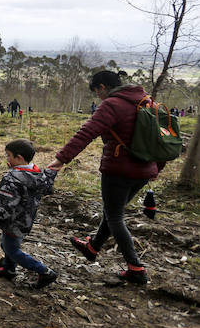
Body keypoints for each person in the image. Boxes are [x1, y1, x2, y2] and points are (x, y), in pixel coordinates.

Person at [48, 70, 162, 285]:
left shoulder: (112, 104)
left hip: (119, 169)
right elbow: (161, 138)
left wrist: (62, 159)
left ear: (101, 87)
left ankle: (135, 268)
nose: (98, 97)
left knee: (115, 217)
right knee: (113, 212)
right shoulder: (147, 101)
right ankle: (92, 247)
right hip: (144, 170)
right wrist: (156, 168)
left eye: (97, 92)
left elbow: (87, 132)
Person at [0, 139, 58, 289]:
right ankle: (8, 268)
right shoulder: (38, 174)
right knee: (6, 244)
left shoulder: (12, 179)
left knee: (12, 249)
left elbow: (6, 208)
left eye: (8, 156)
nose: (7, 159)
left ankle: (45, 271)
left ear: (19, 158)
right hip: (26, 219)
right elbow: (48, 183)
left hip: (13, 221)